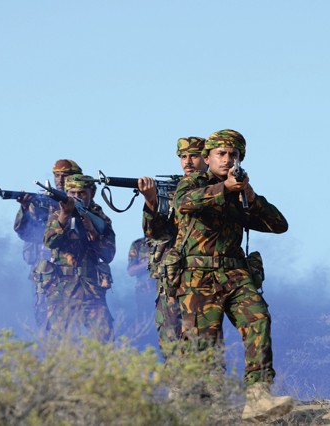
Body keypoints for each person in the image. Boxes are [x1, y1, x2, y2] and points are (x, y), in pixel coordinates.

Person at [171, 129, 294, 420]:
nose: (228, 160)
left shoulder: (239, 191)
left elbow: (279, 225)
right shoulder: (192, 183)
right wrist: (225, 188)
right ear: (208, 157)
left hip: (235, 272)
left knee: (258, 318)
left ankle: (258, 396)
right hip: (198, 276)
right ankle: (193, 408)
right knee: (203, 348)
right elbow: (185, 204)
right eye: (221, 154)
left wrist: (251, 197)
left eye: (233, 155)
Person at [136, 136, 209, 357]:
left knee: (202, 337)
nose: (188, 162)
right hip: (172, 275)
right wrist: (151, 201)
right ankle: (177, 387)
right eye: (183, 157)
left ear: (206, 158)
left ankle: (207, 389)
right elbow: (155, 232)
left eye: (194, 156)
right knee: (170, 335)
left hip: (203, 275)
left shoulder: (216, 189)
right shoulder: (170, 189)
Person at [37, 173, 116, 341]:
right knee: (56, 341)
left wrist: (92, 231)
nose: (77, 197)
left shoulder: (100, 217)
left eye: (82, 193)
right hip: (61, 289)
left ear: (91, 194)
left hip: (91, 289)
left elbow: (109, 254)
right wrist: (64, 216)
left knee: (104, 338)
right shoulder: (57, 213)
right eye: (72, 193)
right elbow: (50, 242)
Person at [14, 159, 82, 327]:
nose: (59, 180)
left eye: (64, 176)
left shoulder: (83, 203)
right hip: (46, 273)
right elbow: (25, 232)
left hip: (75, 272)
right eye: (57, 176)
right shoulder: (41, 202)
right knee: (46, 322)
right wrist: (25, 207)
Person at [126, 237, 157, 317]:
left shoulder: (168, 242)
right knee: (145, 323)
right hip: (145, 294)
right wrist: (148, 263)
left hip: (165, 294)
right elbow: (131, 271)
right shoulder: (138, 244)